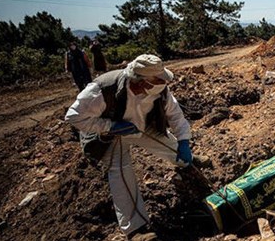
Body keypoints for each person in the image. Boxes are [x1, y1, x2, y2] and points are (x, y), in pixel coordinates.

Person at [65, 54, 205, 239]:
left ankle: (188, 163)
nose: (163, 81)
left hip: (141, 126)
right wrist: (110, 126)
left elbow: (175, 115)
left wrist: (184, 142)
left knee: (171, 145)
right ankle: (135, 229)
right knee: (121, 171)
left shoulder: (160, 89)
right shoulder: (102, 90)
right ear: (141, 83)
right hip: (111, 134)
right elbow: (74, 116)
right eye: (157, 79)